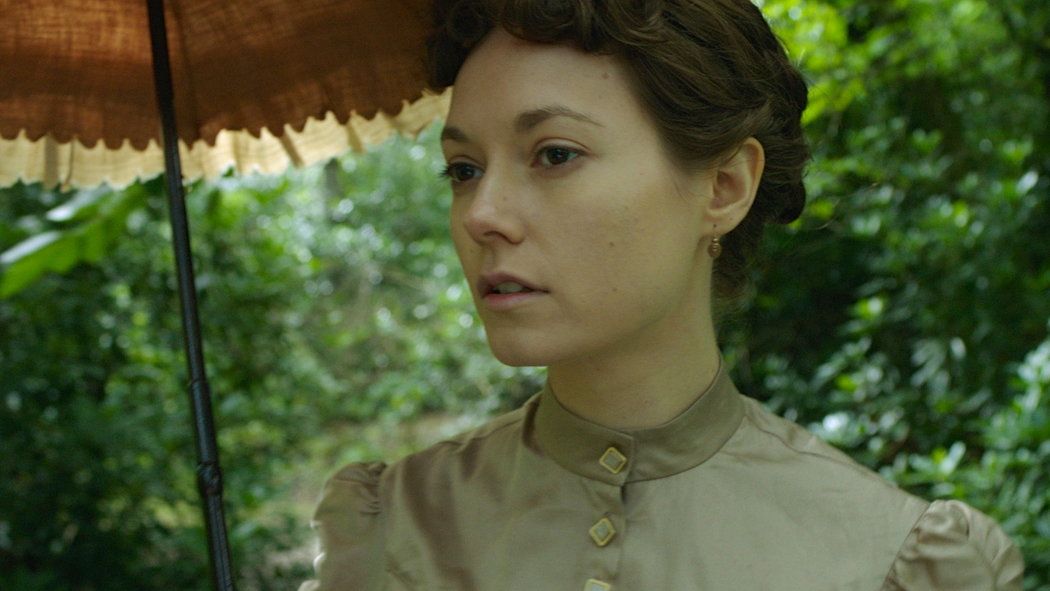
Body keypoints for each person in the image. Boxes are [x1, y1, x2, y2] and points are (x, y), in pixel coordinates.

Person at [300, 1, 1025, 589]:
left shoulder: (893, 560)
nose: (482, 214)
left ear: (724, 187)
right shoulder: (388, 530)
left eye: (554, 154)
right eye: (463, 169)